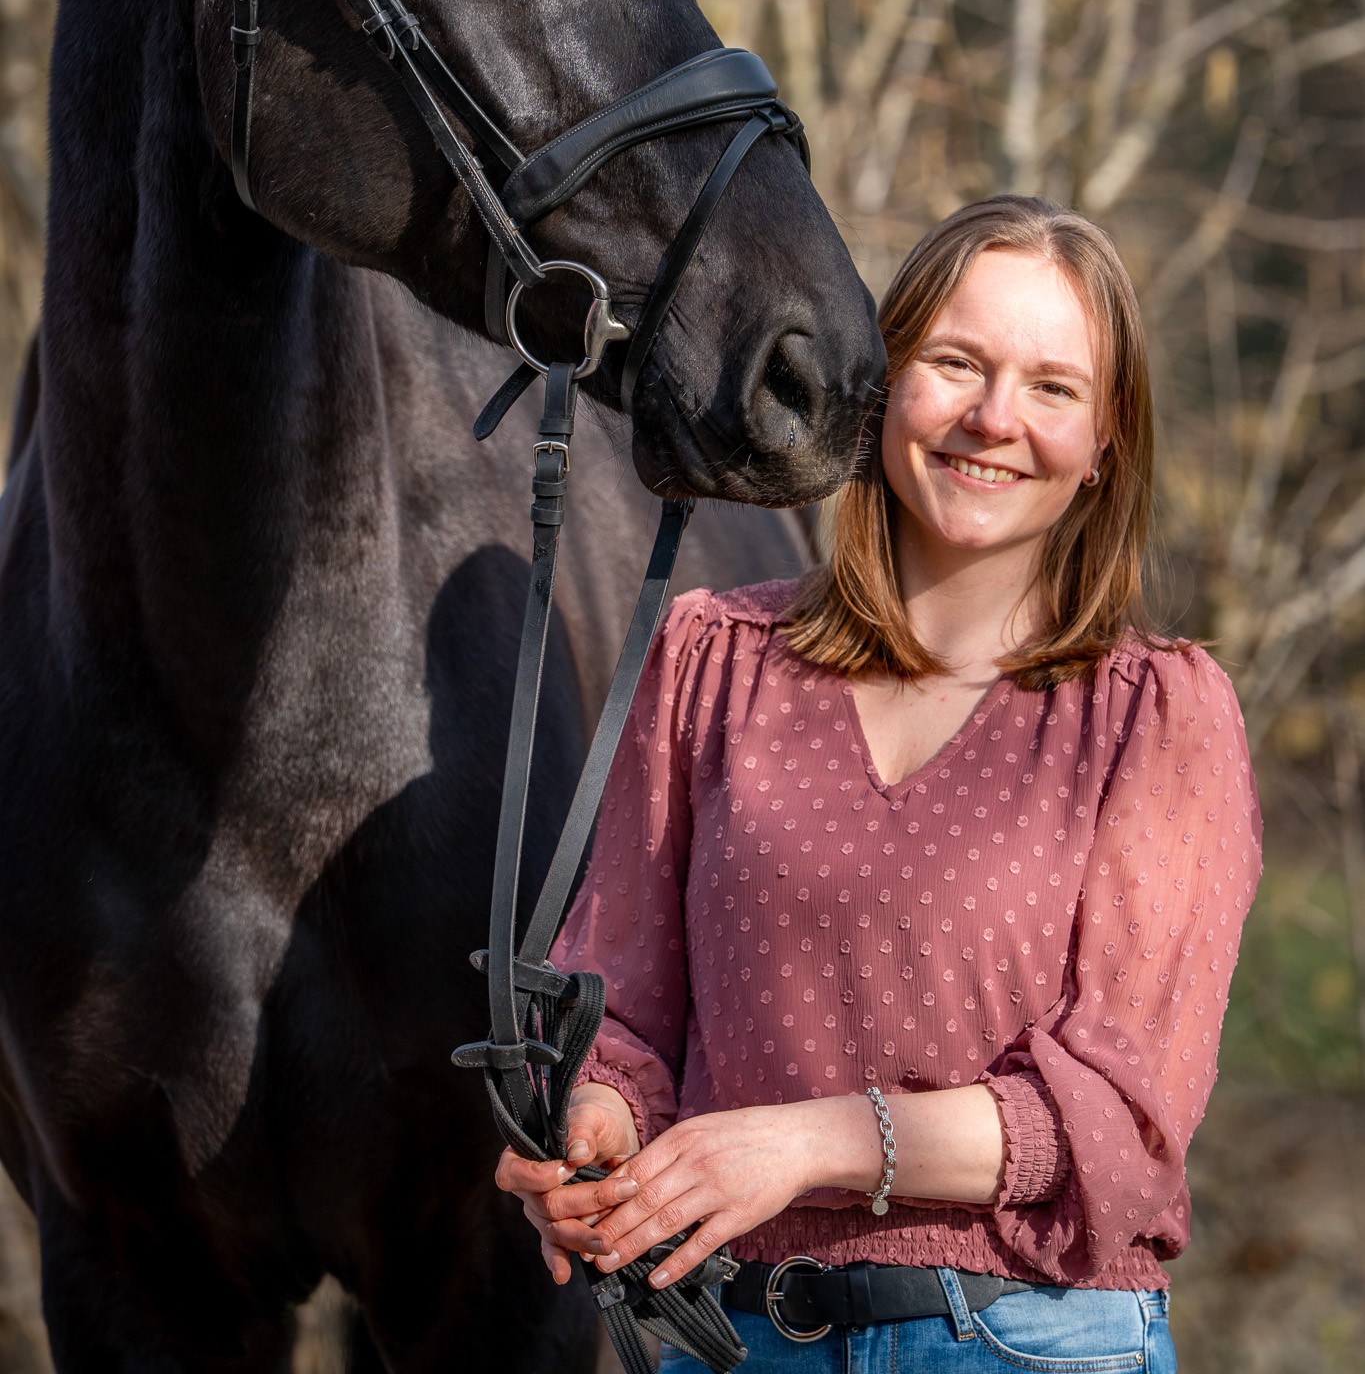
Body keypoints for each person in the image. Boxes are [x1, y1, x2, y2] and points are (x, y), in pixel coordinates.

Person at [497, 196, 1262, 1372]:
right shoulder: (712, 658)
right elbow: (628, 1012)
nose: (994, 417)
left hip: (1026, 1342)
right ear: (889, 379)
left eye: (1052, 386)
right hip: (734, 1337)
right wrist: (597, 1130)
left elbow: (1119, 1117)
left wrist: (807, 1142)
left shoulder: (1155, 716)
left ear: (1106, 439)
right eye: (956, 361)